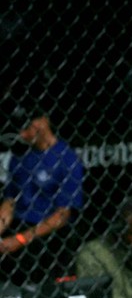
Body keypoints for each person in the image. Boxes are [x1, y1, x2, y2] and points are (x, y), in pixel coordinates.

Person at [0, 104, 84, 285]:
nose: (23, 135)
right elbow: (10, 201)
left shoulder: (67, 159)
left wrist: (21, 239)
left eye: (27, 128)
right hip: (19, 231)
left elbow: (62, 215)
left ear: (43, 122)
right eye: (20, 130)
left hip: (51, 237)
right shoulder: (19, 157)